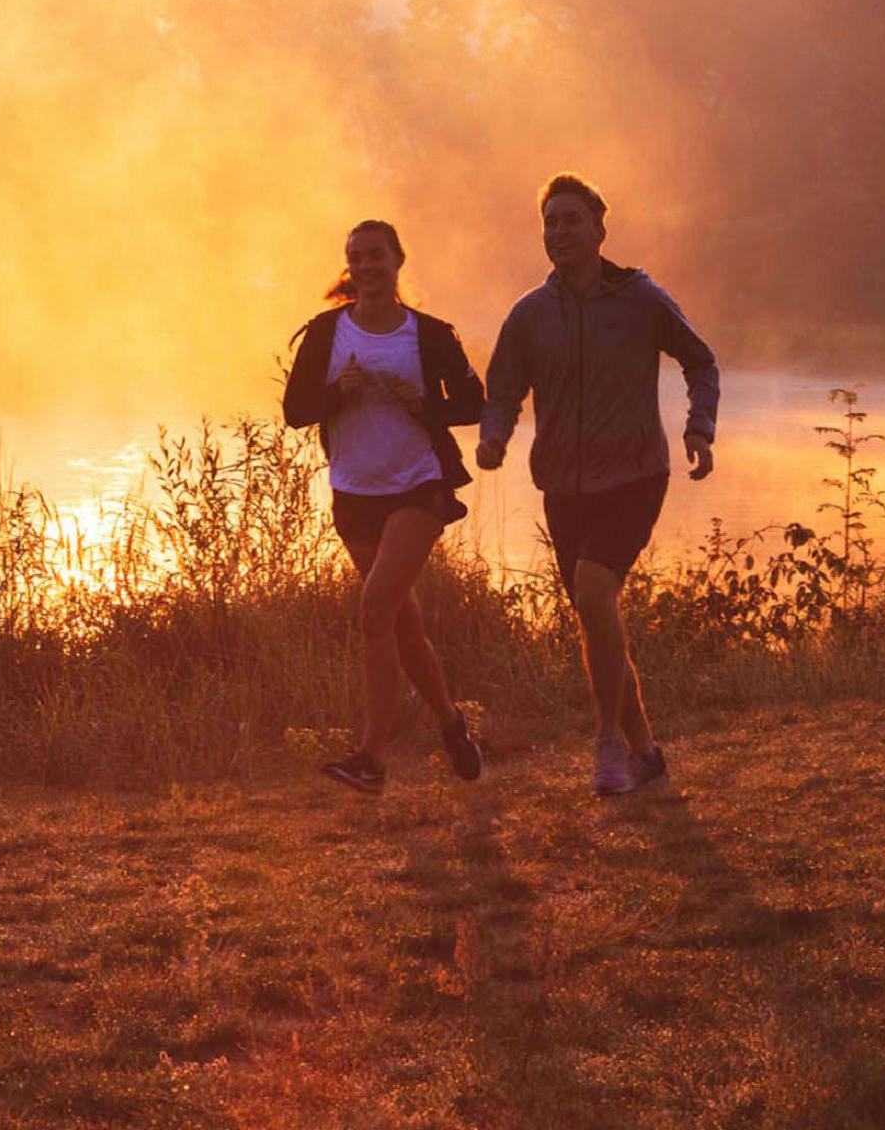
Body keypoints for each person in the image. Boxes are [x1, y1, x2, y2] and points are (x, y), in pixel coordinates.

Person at [475, 173, 719, 797]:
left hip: (636, 473)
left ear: (600, 228)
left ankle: (607, 742)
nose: (558, 232)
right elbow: (503, 388)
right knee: (595, 612)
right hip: (563, 485)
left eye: (570, 220)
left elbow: (700, 359)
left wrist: (700, 426)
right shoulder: (530, 314)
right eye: (550, 222)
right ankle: (646, 753)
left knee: (591, 591)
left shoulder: (640, 299)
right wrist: (495, 436)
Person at [283, 219, 486, 795]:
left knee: (374, 611)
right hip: (354, 493)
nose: (367, 266)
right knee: (402, 625)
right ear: (350, 268)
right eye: (357, 258)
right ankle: (452, 724)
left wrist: (426, 403)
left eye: (377, 256)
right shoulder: (326, 334)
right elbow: (296, 411)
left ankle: (371, 758)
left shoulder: (428, 335)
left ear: (398, 260)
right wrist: (336, 394)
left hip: (417, 488)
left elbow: (476, 402)